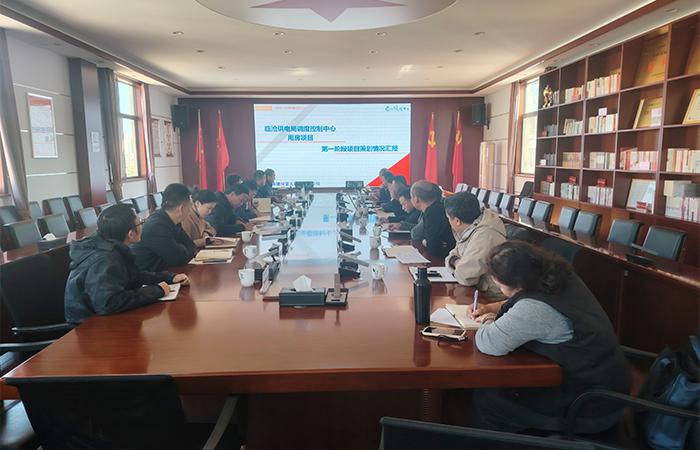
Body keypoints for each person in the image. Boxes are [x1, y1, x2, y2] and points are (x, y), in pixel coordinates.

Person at [470, 241, 631, 434]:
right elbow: (524, 299)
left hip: (587, 406)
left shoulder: (535, 309)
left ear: (515, 284)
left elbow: (488, 343)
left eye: (499, 284)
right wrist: (492, 308)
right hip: (606, 386)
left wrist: (489, 321)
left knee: (489, 399)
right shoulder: (558, 275)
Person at [64, 204, 189, 324]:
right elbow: (109, 303)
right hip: (89, 327)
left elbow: (133, 276)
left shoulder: (112, 248)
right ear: (131, 233)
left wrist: (169, 277)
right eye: (140, 222)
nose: (143, 225)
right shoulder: (105, 259)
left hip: (103, 319)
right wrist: (156, 291)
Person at [443, 191, 506, 298]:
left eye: (448, 218)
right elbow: (451, 256)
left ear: (457, 221)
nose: (448, 222)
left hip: (492, 298)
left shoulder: (485, 235)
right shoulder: (471, 227)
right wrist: (457, 262)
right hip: (478, 290)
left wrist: (455, 262)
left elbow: (465, 276)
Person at [131, 183, 198, 271]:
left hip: (166, 271)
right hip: (149, 275)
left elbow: (191, 246)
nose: (190, 211)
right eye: (189, 207)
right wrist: (181, 248)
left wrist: (180, 248)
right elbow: (179, 259)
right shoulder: (156, 227)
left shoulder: (172, 220)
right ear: (181, 208)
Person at [409, 180, 455, 258]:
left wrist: (425, 242)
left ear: (416, 198)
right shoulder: (438, 207)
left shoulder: (432, 213)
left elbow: (433, 247)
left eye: (411, 197)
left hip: (447, 257)